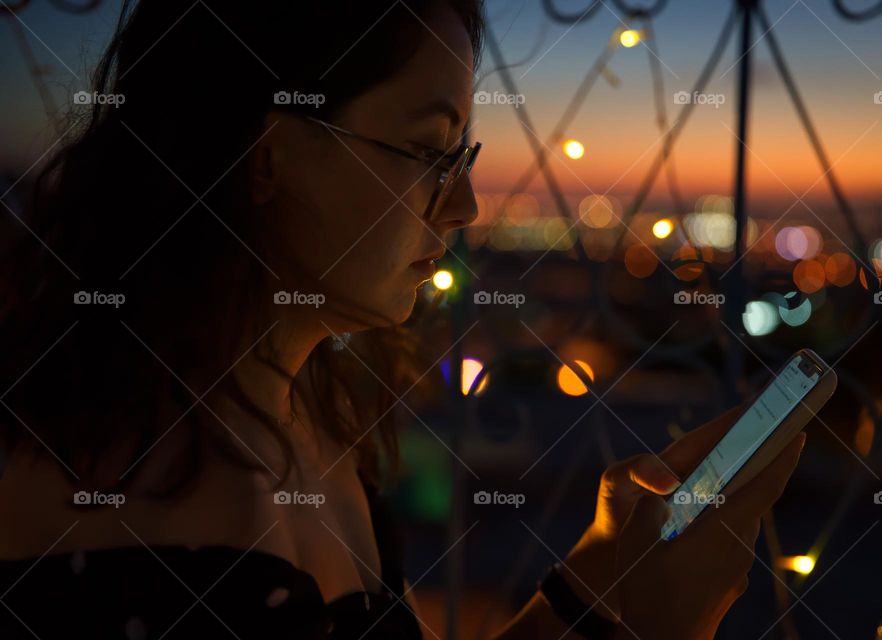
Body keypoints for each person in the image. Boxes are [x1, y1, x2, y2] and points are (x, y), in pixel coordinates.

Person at [0, 1, 805, 638]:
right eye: (430, 152)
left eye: (463, 159)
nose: (464, 207)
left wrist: (598, 581)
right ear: (265, 154)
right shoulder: (162, 536)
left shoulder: (300, 416)